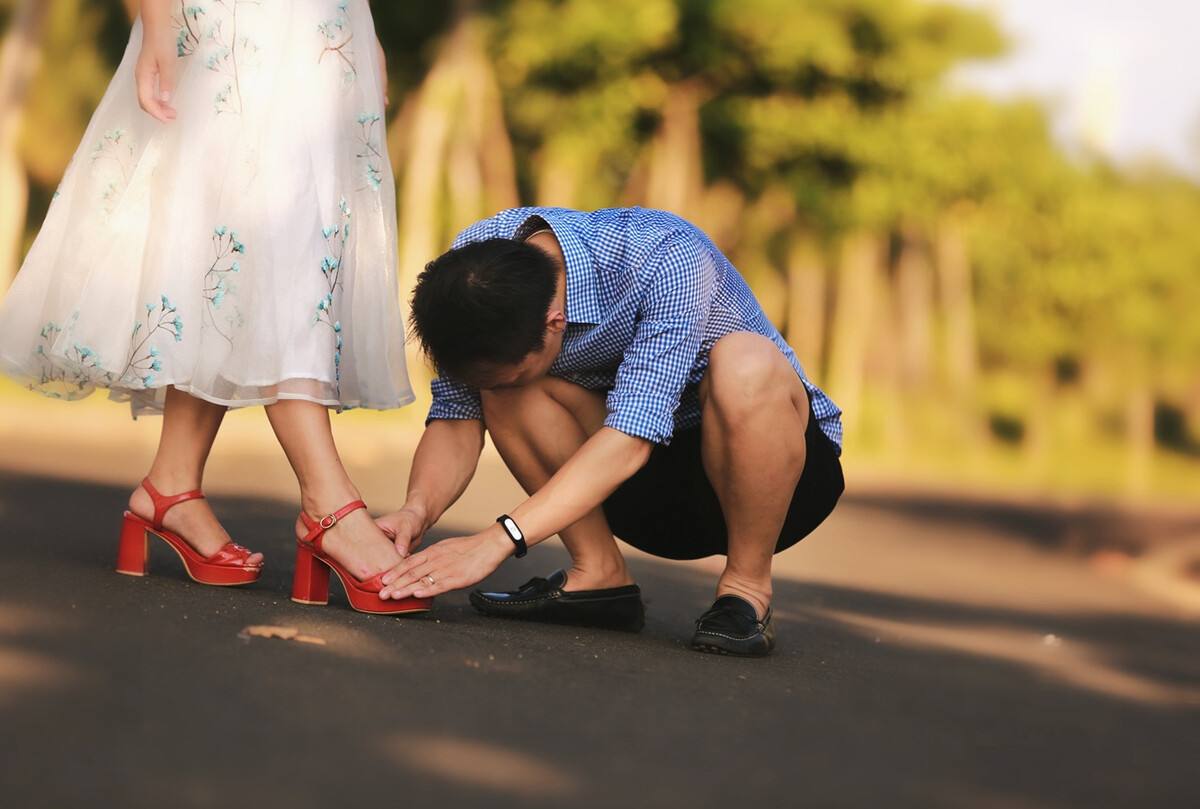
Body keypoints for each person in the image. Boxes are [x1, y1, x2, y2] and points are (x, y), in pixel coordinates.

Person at [0, 0, 428, 615]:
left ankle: (170, 487)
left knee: (248, 258)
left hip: (323, 28)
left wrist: (362, 26)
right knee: (273, 251)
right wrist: (153, 16)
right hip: (234, 24)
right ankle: (328, 504)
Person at [374, 207, 845, 656]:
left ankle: (745, 590)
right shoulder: (473, 267)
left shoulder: (668, 256)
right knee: (505, 388)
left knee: (744, 361)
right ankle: (599, 573)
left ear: (554, 322)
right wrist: (417, 511)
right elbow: (458, 416)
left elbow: (632, 436)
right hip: (639, 493)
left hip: (773, 483)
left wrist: (497, 541)